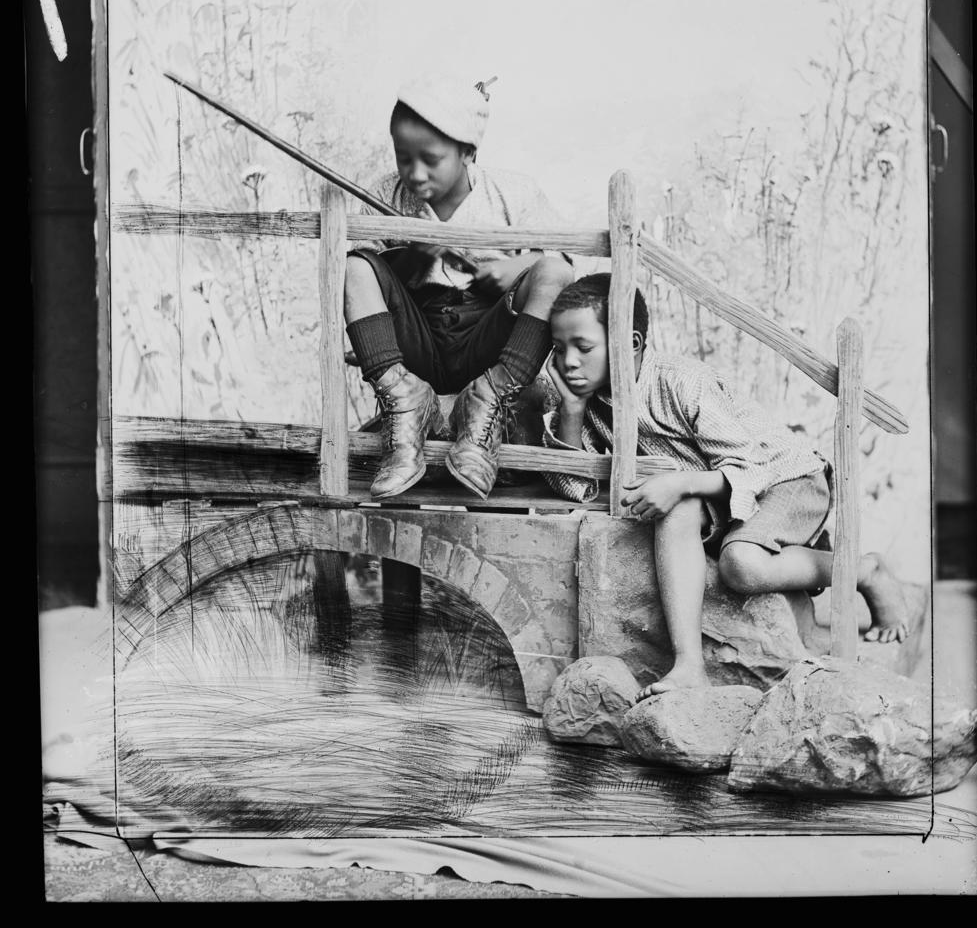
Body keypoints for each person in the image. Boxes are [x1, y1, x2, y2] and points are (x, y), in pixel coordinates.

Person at [542, 273, 911, 694]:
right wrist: (571, 411)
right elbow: (575, 489)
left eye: (583, 347)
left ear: (631, 344)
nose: (568, 362)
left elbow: (750, 466)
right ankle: (688, 667)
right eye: (558, 348)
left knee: (741, 564)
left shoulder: (682, 381)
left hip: (784, 477)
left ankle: (863, 569)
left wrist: (680, 483)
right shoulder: (591, 406)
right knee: (676, 512)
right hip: (718, 496)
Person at [345, 73, 574, 501]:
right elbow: (369, 278)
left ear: (468, 152)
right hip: (418, 344)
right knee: (355, 267)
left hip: (487, 345)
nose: (414, 173)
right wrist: (415, 256)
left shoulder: (514, 193)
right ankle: (405, 399)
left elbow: (563, 262)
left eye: (430, 159)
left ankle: (489, 399)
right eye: (402, 157)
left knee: (553, 273)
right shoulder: (383, 194)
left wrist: (520, 264)